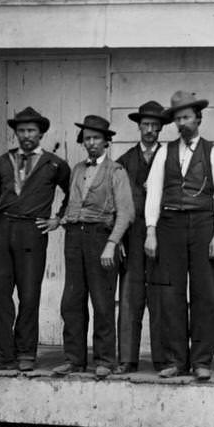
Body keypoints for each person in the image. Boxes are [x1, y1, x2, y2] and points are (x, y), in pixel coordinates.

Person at [144, 90, 214, 381]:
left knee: (204, 294)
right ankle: (176, 360)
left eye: (187, 117)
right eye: (178, 119)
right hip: (170, 226)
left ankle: (202, 360)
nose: (182, 123)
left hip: (203, 225)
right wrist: (151, 230)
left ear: (198, 118)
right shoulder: (164, 152)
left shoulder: (213, 152)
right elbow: (154, 192)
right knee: (171, 295)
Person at [0, 106, 71, 374]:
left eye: (31, 130)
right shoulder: (3, 161)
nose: (26, 135)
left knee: (29, 295)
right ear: (15, 133)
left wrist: (58, 219)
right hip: (3, 229)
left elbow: (73, 194)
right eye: (21, 131)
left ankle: (26, 353)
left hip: (32, 232)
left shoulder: (54, 164)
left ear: (41, 133)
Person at [55, 115, 134, 378]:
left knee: (102, 302)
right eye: (87, 138)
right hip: (74, 237)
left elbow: (126, 213)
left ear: (106, 141)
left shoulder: (116, 171)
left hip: (101, 238)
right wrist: (60, 219)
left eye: (96, 138)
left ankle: (105, 360)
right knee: (71, 301)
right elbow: (70, 203)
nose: (91, 143)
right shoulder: (77, 169)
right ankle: (74, 359)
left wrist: (112, 244)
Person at [116, 100, 166, 373]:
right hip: (132, 237)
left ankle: (162, 359)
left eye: (155, 125)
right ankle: (127, 358)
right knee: (130, 297)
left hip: (162, 235)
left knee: (160, 297)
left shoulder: (170, 159)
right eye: (145, 124)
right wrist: (117, 239)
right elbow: (114, 204)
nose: (149, 130)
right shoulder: (124, 161)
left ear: (160, 128)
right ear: (138, 126)